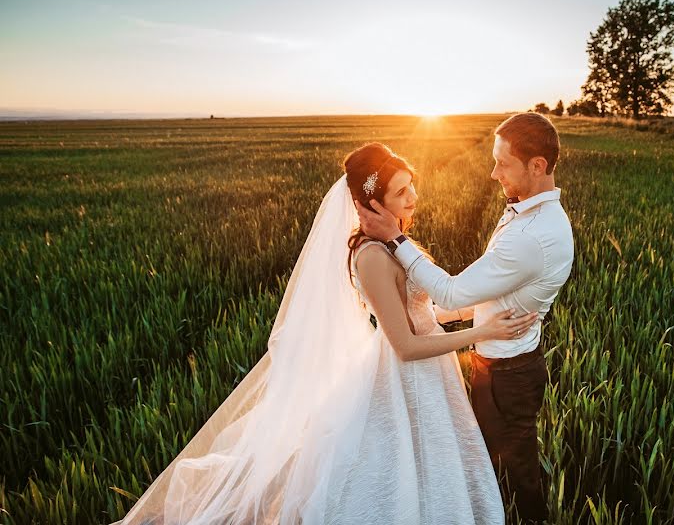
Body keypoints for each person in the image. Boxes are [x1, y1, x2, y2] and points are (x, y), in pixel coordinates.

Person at [111, 142, 537, 524]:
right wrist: (481, 330)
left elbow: (422, 315)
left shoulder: (394, 242)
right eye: (401, 192)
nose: (414, 198)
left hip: (430, 374)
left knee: (430, 464)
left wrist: (485, 309)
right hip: (404, 373)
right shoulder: (371, 257)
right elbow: (405, 346)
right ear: (370, 203)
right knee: (396, 471)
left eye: (411, 186)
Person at [356, 112, 574, 523]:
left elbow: (453, 290)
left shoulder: (533, 235)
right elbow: (481, 298)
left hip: (509, 373)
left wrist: (397, 239)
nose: (493, 174)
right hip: (489, 365)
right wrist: (427, 317)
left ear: (537, 166)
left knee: (515, 469)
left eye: (503, 163)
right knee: (479, 461)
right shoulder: (525, 213)